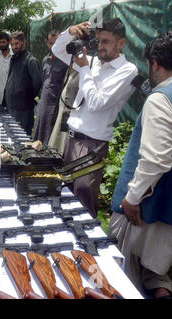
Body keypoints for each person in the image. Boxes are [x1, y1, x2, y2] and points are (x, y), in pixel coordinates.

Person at [51, 18, 138, 218]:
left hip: (92, 145)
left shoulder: (127, 71)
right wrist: (70, 32)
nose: (100, 47)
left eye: (106, 42)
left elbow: (96, 103)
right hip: (71, 140)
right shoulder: (92, 62)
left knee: (83, 204)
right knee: (65, 197)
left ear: (121, 43)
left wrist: (83, 69)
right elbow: (58, 50)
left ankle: (85, 248)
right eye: (98, 41)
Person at [109, 31, 172, 299]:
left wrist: (132, 198)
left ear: (154, 63)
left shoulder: (160, 98)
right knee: (157, 272)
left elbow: (157, 157)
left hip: (149, 205)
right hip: (167, 204)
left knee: (126, 272)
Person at [1, 31, 42, 136]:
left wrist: (31, 101)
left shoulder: (31, 61)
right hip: (10, 108)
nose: (14, 47)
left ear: (24, 42)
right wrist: (4, 103)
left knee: (22, 141)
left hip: (24, 111)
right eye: (12, 45)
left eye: (17, 44)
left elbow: (37, 85)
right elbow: (9, 80)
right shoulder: (13, 59)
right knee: (10, 138)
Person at [32, 30, 69, 144]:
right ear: (46, 43)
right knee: (39, 134)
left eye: (55, 43)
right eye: (50, 43)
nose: (53, 46)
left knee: (51, 137)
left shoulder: (66, 61)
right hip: (44, 104)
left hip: (56, 106)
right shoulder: (45, 60)